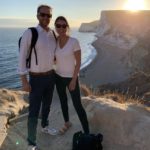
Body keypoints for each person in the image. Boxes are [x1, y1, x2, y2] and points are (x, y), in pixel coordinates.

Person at [18, 4, 56, 150]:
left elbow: (53, 55)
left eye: (49, 15)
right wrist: (24, 80)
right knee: (33, 110)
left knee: (47, 105)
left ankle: (45, 126)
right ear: (37, 16)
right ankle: (31, 143)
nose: (46, 18)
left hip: (50, 77)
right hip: (36, 78)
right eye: (43, 15)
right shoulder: (30, 33)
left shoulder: (52, 34)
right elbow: (21, 58)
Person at [54, 16, 89, 134]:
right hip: (58, 77)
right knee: (63, 101)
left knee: (77, 105)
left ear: (67, 27)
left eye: (64, 26)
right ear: (56, 27)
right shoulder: (54, 41)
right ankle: (67, 123)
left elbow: (78, 62)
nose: (61, 28)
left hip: (71, 78)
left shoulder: (74, 41)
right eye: (58, 26)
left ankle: (87, 132)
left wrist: (74, 80)